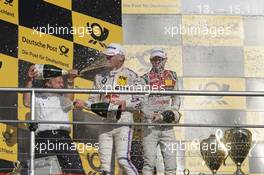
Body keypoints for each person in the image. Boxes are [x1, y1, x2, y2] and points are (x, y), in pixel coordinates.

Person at [74, 43, 140, 175]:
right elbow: (93, 101)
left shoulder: (132, 76)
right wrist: (84, 104)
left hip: (123, 122)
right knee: (105, 167)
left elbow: (139, 101)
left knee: (123, 160)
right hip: (105, 124)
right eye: (106, 56)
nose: (107, 59)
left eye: (110, 56)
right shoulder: (99, 77)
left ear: (121, 58)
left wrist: (124, 103)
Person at [23, 65, 85, 174]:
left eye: (62, 82)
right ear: (47, 83)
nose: (62, 84)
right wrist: (29, 80)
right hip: (43, 138)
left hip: (63, 137)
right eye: (59, 82)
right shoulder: (37, 96)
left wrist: (70, 80)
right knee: (45, 173)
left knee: (76, 171)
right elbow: (27, 102)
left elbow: (69, 99)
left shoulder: (63, 99)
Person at [141, 48, 181, 175]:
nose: (157, 61)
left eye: (160, 59)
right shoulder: (145, 78)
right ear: (151, 61)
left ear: (165, 60)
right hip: (150, 125)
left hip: (167, 125)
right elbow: (141, 101)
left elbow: (176, 97)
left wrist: (172, 112)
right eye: (155, 59)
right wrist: (150, 115)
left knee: (171, 165)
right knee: (149, 164)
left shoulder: (173, 75)